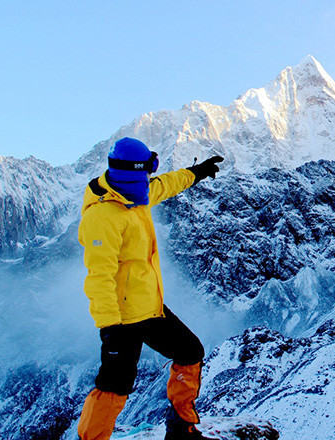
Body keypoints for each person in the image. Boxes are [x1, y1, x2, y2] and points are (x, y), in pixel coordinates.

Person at [76, 137, 224, 440]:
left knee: (190, 352)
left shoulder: (136, 193)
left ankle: (182, 427)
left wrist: (196, 173)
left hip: (150, 308)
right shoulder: (102, 216)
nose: (145, 185)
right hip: (122, 319)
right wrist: (108, 326)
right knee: (114, 385)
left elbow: (165, 185)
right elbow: (98, 276)